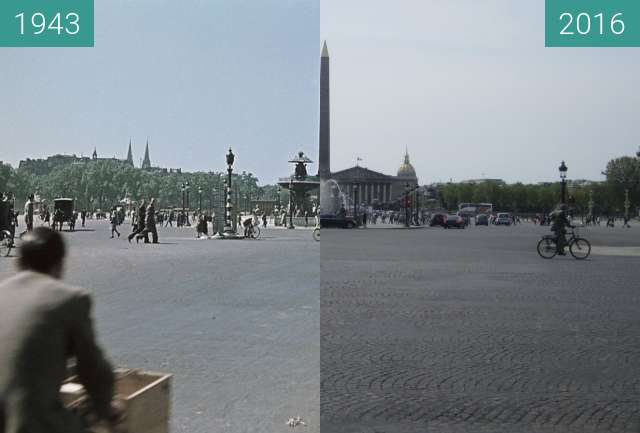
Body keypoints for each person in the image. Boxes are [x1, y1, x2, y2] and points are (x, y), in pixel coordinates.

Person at [0, 227, 124, 433]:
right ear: (59, 264)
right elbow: (94, 373)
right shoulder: (69, 300)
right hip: (26, 424)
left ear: (18, 263)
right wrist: (107, 411)